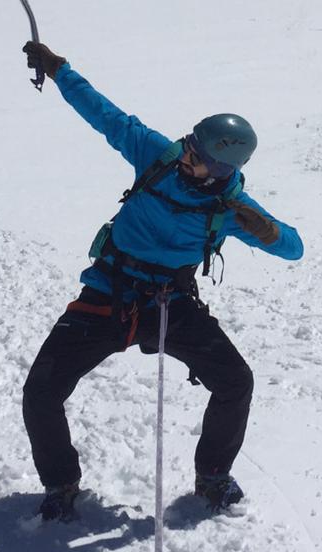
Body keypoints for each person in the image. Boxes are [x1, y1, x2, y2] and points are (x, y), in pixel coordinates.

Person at [19, 40, 303, 521]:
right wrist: (61, 70)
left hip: (172, 304)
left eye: (194, 153)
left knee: (236, 381)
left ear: (219, 168)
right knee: (40, 391)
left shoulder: (231, 209)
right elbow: (106, 116)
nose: (183, 153)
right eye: (188, 144)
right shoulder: (157, 158)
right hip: (109, 293)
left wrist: (270, 230)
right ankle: (60, 482)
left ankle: (213, 475)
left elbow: (293, 248)